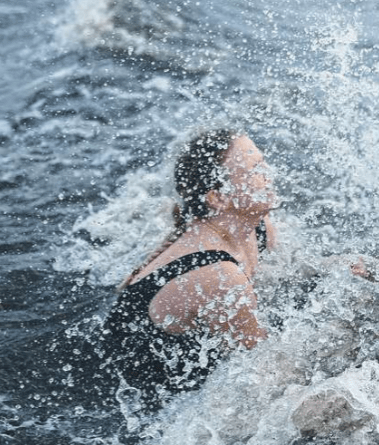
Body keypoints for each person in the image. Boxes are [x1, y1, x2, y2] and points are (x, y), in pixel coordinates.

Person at [99, 129, 277, 407]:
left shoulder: (256, 226)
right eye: (255, 169)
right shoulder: (219, 275)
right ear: (218, 198)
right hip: (133, 397)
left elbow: (288, 272)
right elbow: (265, 372)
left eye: (263, 162)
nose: (269, 173)